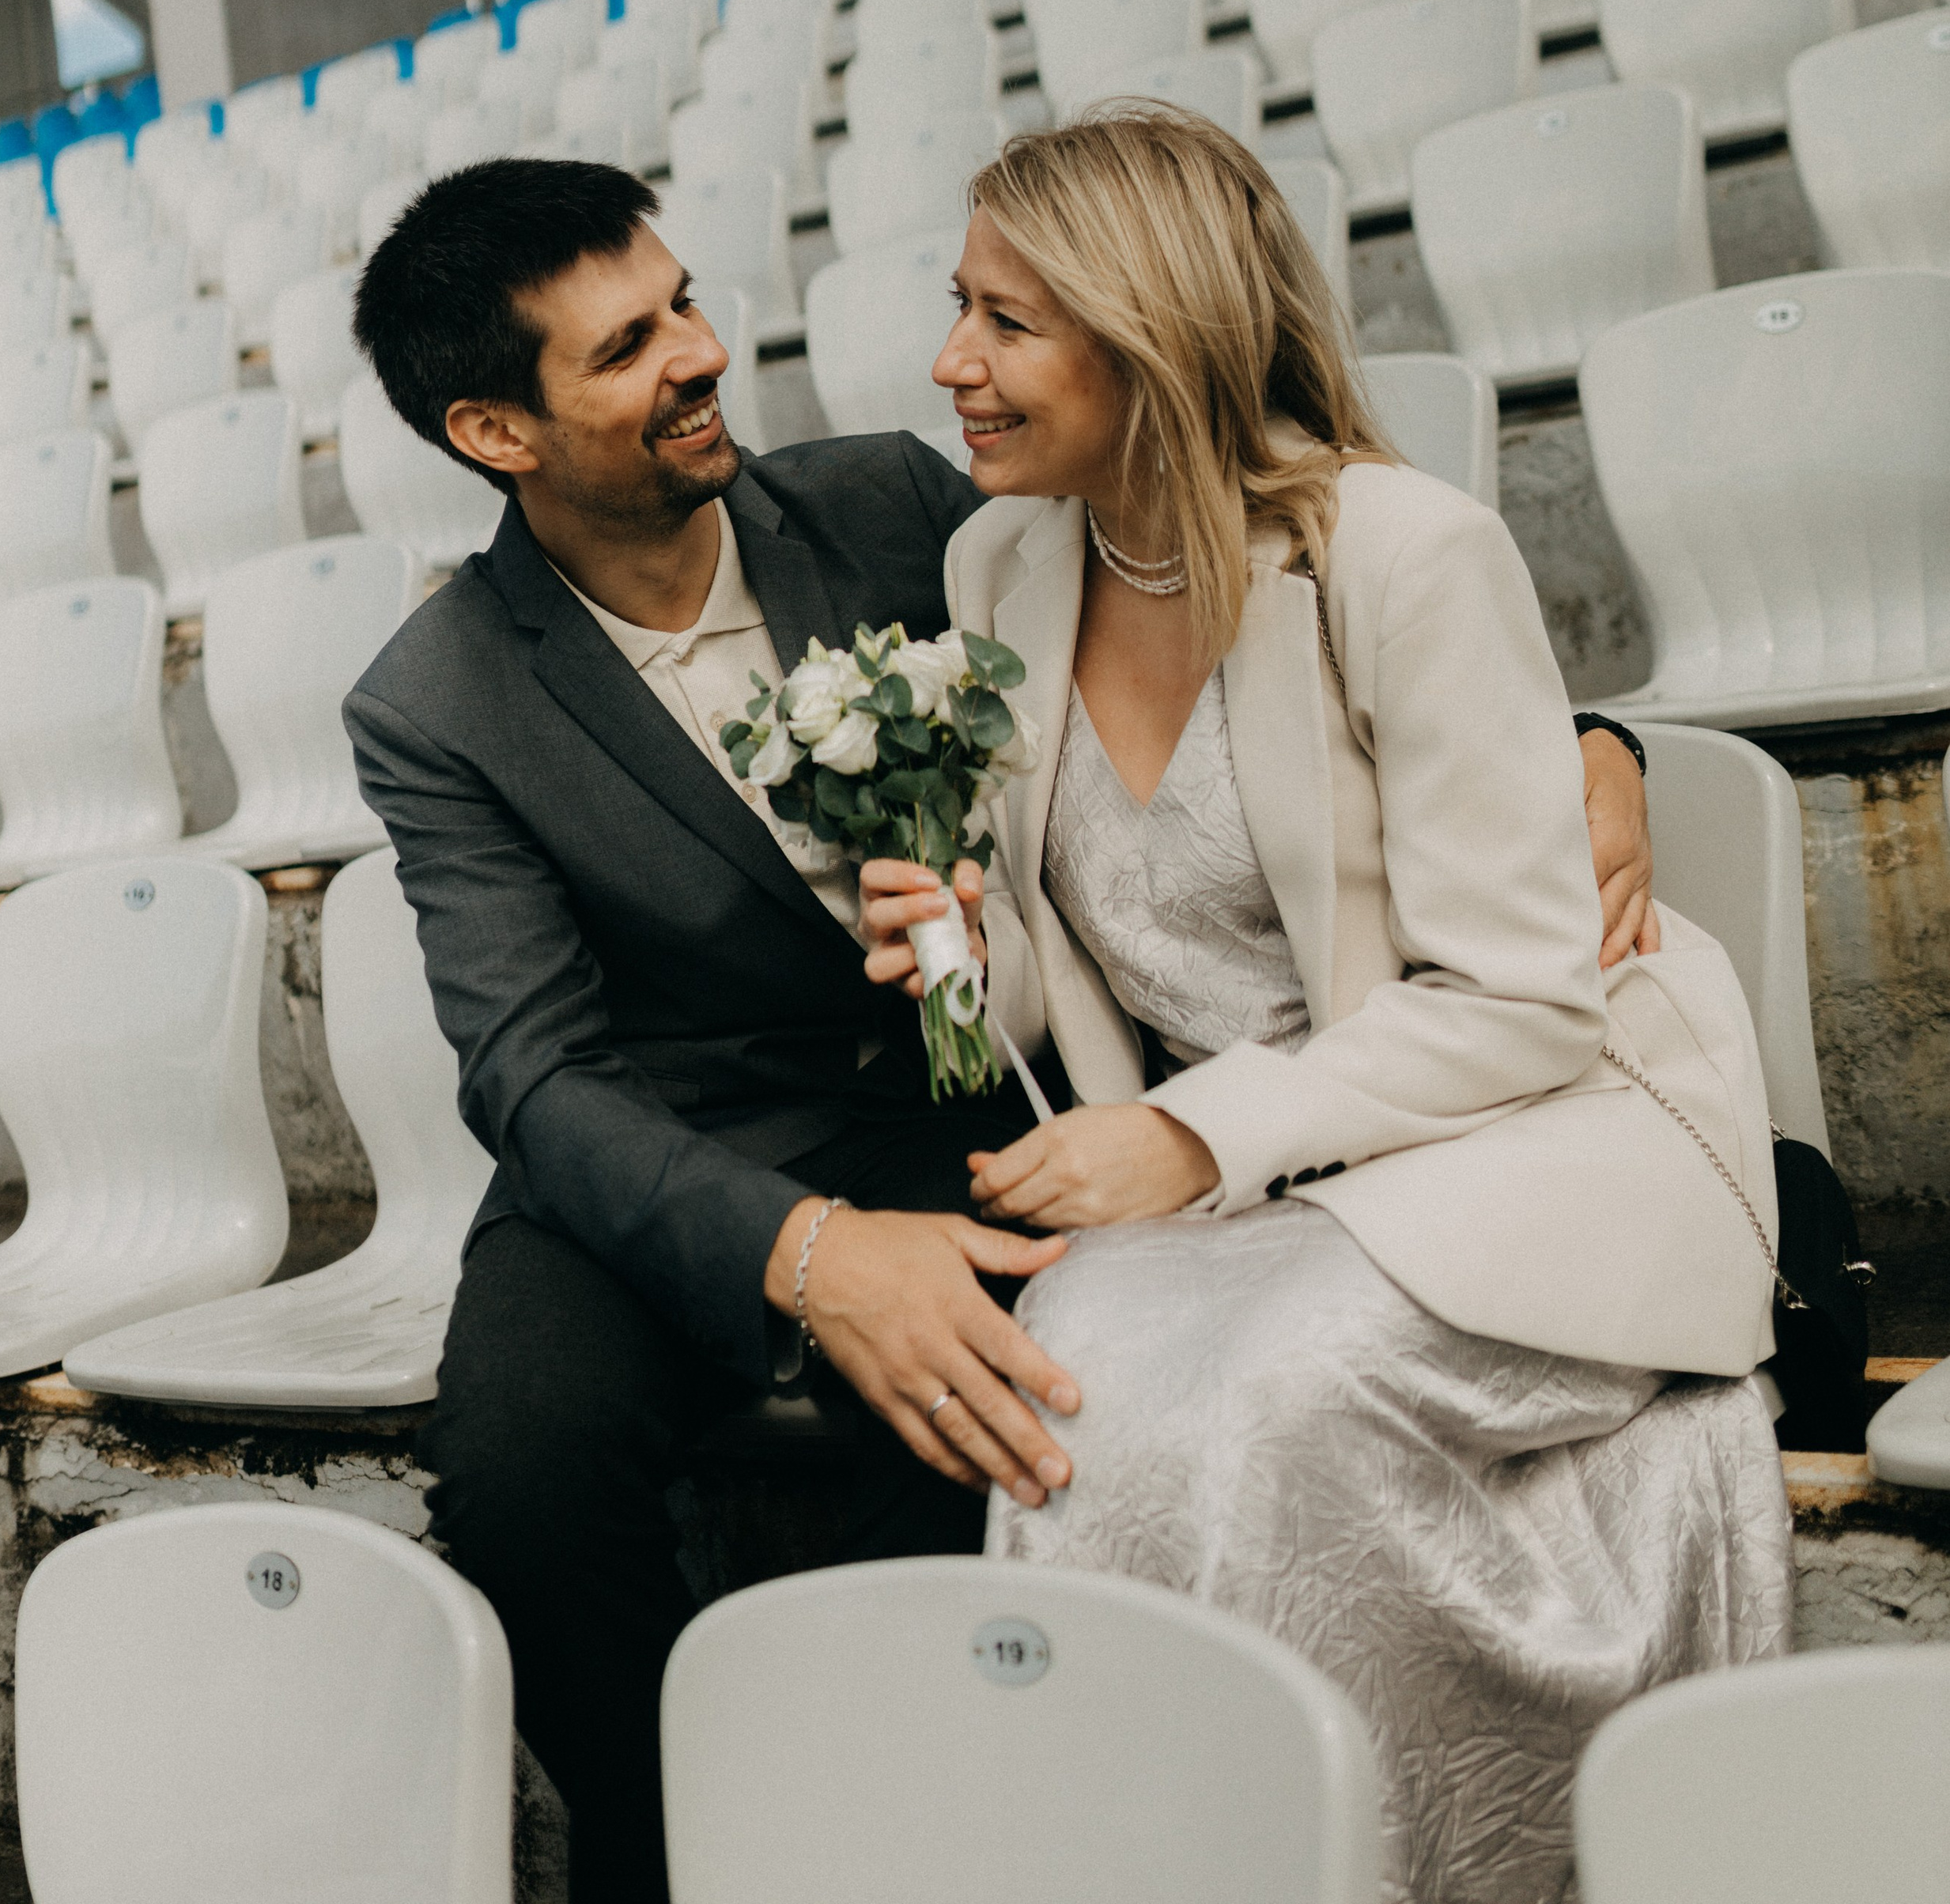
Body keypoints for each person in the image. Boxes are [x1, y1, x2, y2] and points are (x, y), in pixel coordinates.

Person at [345, 152, 1661, 1902]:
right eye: (626, 348)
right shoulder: (434, 701)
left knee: (1003, 1409)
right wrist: (809, 1257)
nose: (701, 352)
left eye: (681, 301)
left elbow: (1247, 597)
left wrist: (1594, 743)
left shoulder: (902, 508)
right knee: (518, 1475)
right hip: (670, 1151)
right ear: (495, 433)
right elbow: (533, 1075)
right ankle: (682, 1862)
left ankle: (927, 1836)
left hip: (966, 1087)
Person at [856, 108, 1792, 1904]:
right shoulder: (1001, 570)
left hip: (1533, 1130)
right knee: (1080, 1375)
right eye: (956, 305)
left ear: (1151, 340)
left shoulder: (1400, 554)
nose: (948, 362)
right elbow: (1086, 950)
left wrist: (1196, 1136)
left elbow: (1524, 1006)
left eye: (1005, 321)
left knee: (1278, 1389)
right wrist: (958, 945)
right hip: (1266, 1178)